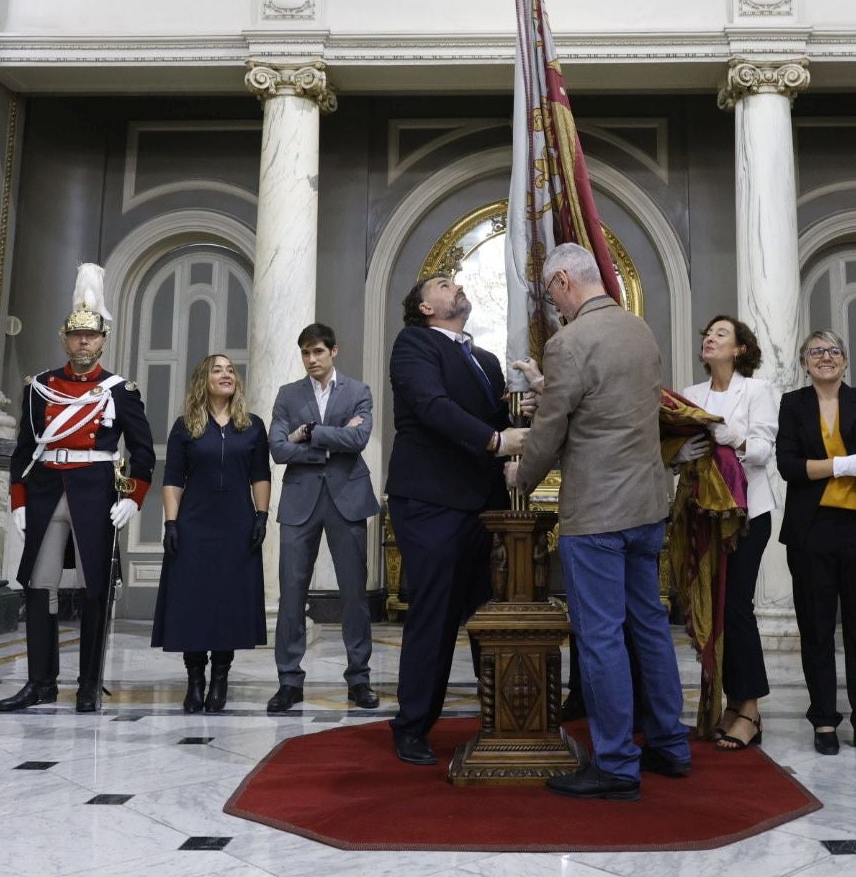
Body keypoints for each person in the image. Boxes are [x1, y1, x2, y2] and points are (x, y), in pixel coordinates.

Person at [511, 243, 687, 800]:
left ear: (564, 280)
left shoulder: (570, 342)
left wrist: (520, 475)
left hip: (597, 513)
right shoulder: (640, 331)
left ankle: (614, 764)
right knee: (651, 627)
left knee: (601, 635)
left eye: (549, 292)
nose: (552, 305)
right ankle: (669, 745)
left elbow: (554, 427)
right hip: (646, 505)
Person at [0, 264, 155, 715]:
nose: (83, 342)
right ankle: (39, 682)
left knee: (94, 590)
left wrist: (132, 498)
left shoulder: (120, 391)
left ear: (103, 339)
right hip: (47, 494)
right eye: (76, 335)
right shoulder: (40, 387)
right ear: (64, 338)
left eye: (91, 336)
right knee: (38, 586)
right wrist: (19, 500)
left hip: (95, 494)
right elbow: (23, 450)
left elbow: (143, 453)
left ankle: (88, 685)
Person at [385, 273, 528, 766]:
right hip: (430, 503)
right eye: (444, 284)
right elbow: (432, 406)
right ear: (424, 307)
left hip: (483, 506)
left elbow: (497, 425)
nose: (457, 287)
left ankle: (500, 718)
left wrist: (517, 417)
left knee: (489, 616)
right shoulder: (414, 344)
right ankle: (412, 726)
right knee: (436, 614)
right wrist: (495, 442)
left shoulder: (484, 360)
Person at [775, 330, 856, 758]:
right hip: (812, 530)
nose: (825, 358)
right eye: (816, 352)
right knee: (817, 629)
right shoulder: (794, 404)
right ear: (805, 363)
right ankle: (824, 718)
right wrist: (842, 464)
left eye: (833, 351)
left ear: (845, 361)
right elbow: (788, 466)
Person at [267, 323, 381, 713]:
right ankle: (288, 680)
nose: (311, 359)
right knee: (291, 593)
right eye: (305, 353)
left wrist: (311, 432)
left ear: (334, 351)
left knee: (354, 594)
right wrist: (329, 442)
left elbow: (359, 440)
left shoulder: (358, 391)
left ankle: (359, 679)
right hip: (300, 501)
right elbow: (279, 449)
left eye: (317, 351)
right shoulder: (287, 395)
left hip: (347, 497)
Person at [678, 315, 777, 751]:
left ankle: (750, 708)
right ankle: (728, 704)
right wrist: (680, 452)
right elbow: (674, 453)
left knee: (737, 607)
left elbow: (762, 451)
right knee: (712, 612)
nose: (709, 338)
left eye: (720, 334)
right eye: (707, 332)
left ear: (739, 349)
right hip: (704, 514)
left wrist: (731, 434)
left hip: (749, 513)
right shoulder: (691, 396)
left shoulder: (757, 390)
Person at [154, 354, 270, 713]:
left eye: (230, 370)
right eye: (217, 370)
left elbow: (260, 475)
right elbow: (172, 478)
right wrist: (171, 523)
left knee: (228, 603)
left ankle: (220, 678)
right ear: (202, 380)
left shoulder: (252, 426)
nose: (226, 375)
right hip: (194, 525)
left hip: (237, 524)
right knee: (194, 602)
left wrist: (261, 517)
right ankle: (195, 679)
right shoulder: (184, 426)